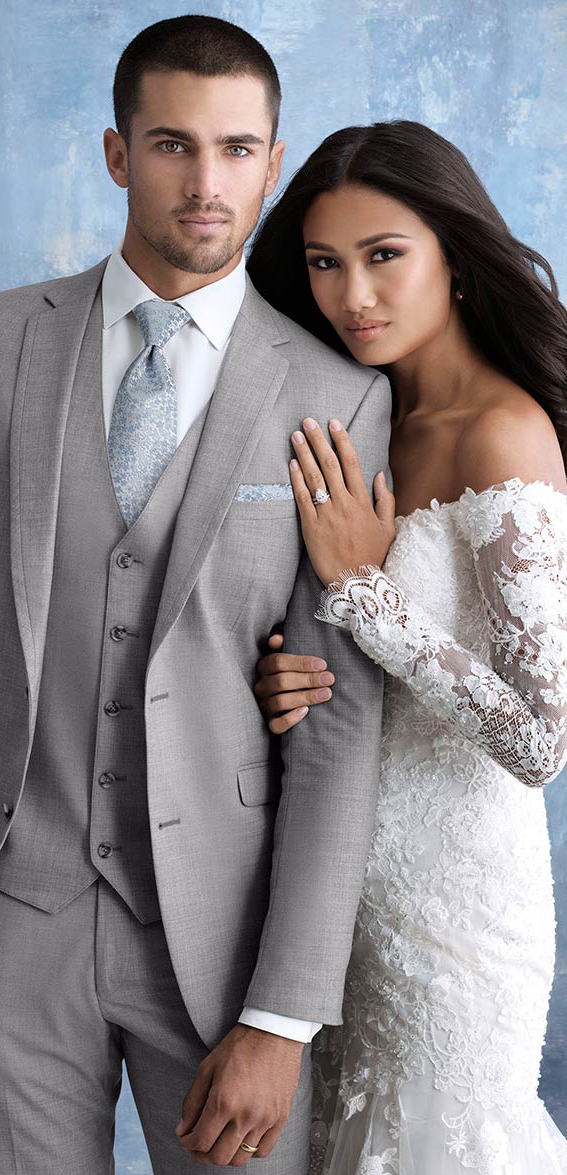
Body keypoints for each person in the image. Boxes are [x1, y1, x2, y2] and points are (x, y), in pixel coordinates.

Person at [0, 17, 392, 1174]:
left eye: (237, 150)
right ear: (117, 154)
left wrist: (283, 1013)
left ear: (271, 158)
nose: (206, 184)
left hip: (225, 945)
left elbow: (341, 725)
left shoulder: (337, 393)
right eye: (171, 145)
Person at [248, 119, 567, 1174]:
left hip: (459, 905)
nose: (353, 297)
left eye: (384, 256)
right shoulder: (361, 418)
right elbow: (356, 657)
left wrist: (362, 591)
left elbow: (537, 739)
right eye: (325, 264)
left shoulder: (502, 431)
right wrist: (286, 675)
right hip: (338, 882)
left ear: (454, 258)